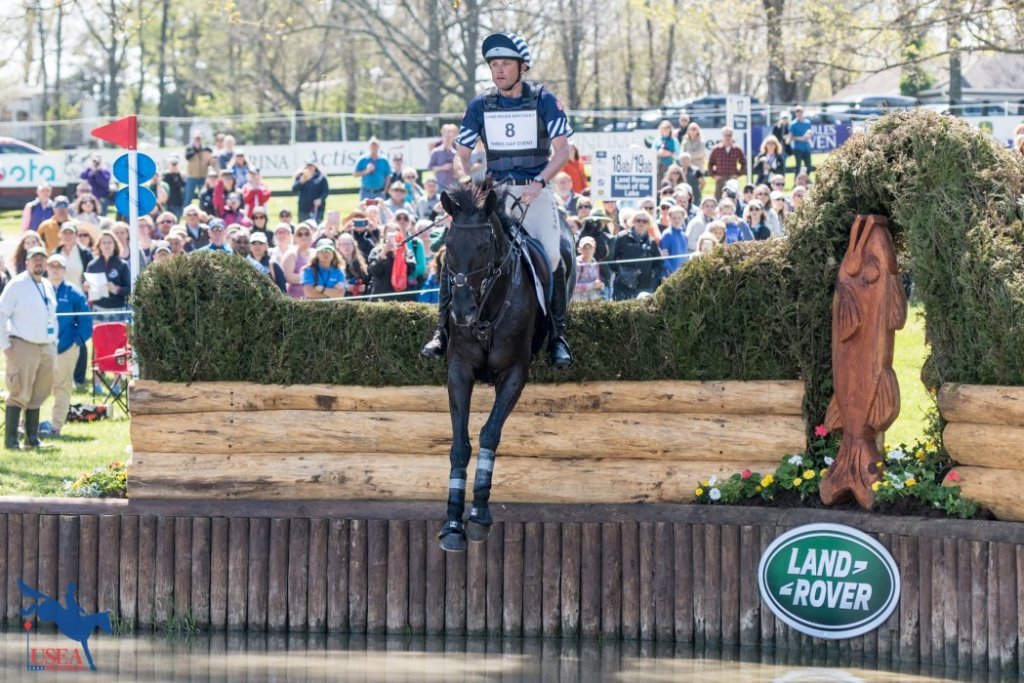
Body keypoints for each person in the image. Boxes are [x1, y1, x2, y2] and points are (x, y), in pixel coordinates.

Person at [421, 32, 574, 368]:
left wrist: (540, 181)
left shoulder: (544, 100)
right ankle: (441, 331)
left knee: (553, 254)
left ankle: (557, 336)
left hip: (535, 191)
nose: (499, 70)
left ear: (522, 67)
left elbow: (563, 150)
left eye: (505, 63)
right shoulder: (480, 105)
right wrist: (468, 181)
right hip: (496, 194)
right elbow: (461, 153)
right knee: (457, 253)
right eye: (494, 64)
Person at [0, 245, 57, 449]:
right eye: (34, 259)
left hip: (46, 346)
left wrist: (54, 342)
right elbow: (1, 313)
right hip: (23, 345)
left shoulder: (47, 285)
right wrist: (5, 344)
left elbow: (51, 316)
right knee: (18, 392)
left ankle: (32, 438)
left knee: (39, 392)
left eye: (42, 259)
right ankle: (11, 440)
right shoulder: (17, 285)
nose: (38, 263)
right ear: (27, 263)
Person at [43, 253, 92, 438]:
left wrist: (76, 342)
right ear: (47, 268)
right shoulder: (39, 289)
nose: (55, 270)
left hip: (66, 348)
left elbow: (86, 321)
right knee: (36, 386)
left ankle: (56, 426)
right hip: (41, 347)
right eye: (52, 266)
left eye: (59, 266)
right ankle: (29, 425)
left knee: (62, 387)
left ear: (64, 270)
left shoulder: (74, 293)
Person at [610, 211, 660, 300]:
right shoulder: (621, 237)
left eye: (644, 221)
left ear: (648, 224)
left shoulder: (652, 242)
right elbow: (611, 259)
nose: (641, 223)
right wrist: (621, 272)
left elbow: (659, 263)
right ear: (633, 221)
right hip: (623, 286)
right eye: (638, 220)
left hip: (645, 286)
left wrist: (652, 273)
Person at [84, 231, 131, 319]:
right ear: (99, 245)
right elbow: (88, 290)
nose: (107, 245)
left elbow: (129, 289)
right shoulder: (92, 265)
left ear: (115, 245)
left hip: (117, 309)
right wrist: (87, 288)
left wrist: (116, 289)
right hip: (97, 309)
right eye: (104, 242)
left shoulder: (122, 265)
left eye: (110, 242)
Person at [707, 128, 746, 200]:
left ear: (732, 136)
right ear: (722, 136)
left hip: (732, 178)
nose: (728, 137)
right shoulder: (716, 149)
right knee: (719, 199)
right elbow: (710, 163)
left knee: (733, 198)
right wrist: (713, 175)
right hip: (720, 178)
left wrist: (738, 174)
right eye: (726, 135)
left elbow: (743, 163)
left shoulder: (737, 149)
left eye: (729, 135)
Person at [54, 222, 92, 294]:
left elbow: (90, 275)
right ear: (60, 235)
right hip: (59, 295)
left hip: (79, 295)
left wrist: (86, 284)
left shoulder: (85, 254)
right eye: (65, 233)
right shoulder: (56, 253)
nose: (67, 236)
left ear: (76, 235)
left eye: (70, 233)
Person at [281, 222, 314, 299]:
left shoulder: (315, 253)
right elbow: (288, 276)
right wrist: (311, 278)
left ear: (311, 236)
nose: (303, 236)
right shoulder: (291, 254)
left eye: (307, 234)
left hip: (314, 297)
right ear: (295, 237)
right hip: (296, 299)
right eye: (300, 234)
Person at [293, 159, 329, 223]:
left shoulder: (321, 177)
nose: (310, 168)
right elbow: (294, 189)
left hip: (317, 209)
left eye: (311, 166)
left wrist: (320, 199)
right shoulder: (300, 176)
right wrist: (302, 181)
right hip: (303, 209)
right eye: (308, 166)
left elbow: (325, 191)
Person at [659, 206, 689, 278]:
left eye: (679, 218)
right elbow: (664, 258)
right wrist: (672, 272)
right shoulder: (667, 234)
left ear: (683, 218)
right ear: (669, 218)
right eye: (674, 218)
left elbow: (685, 256)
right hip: (669, 275)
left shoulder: (684, 235)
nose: (677, 220)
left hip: (682, 274)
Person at [184, 132, 214, 206]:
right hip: (192, 177)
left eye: (199, 139)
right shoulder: (189, 148)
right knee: (189, 197)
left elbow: (210, 159)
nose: (198, 141)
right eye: (196, 139)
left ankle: (201, 210)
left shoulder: (205, 149)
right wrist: (196, 149)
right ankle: (186, 211)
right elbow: (187, 157)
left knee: (203, 196)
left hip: (203, 177)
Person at [337, 233, 369, 297]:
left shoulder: (362, 261)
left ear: (354, 245)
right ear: (338, 247)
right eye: (343, 244)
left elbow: (368, 280)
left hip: (361, 298)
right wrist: (346, 287)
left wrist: (365, 287)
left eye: (349, 244)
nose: (346, 247)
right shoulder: (334, 263)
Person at [573, 236, 604, 302]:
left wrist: (600, 285)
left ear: (594, 249)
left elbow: (596, 280)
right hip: (579, 302)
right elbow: (573, 287)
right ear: (580, 249)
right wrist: (592, 285)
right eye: (585, 248)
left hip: (593, 301)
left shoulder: (594, 263)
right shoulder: (577, 264)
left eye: (590, 247)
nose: (588, 250)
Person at [428, 124, 459, 189]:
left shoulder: (456, 153)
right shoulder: (435, 152)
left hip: (453, 186)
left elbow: (460, 168)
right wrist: (442, 167)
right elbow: (430, 167)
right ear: (442, 138)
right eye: (446, 137)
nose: (447, 139)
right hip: (440, 185)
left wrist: (457, 173)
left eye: (449, 137)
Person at [789, 105, 814, 178]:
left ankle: (805, 180)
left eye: (800, 112)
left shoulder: (808, 123)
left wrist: (809, 136)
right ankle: (796, 181)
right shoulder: (793, 124)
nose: (799, 113)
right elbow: (791, 137)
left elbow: (810, 134)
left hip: (806, 148)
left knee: (808, 167)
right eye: (797, 112)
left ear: (803, 112)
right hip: (798, 148)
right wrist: (800, 138)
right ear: (795, 113)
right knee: (798, 166)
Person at [654, 119, 678, 185]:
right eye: (664, 127)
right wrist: (659, 153)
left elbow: (677, 154)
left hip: (669, 166)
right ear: (661, 129)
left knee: (668, 184)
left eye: (668, 127)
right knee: (658, 183)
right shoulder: (657, 140)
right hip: (658, 166)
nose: (666, 129)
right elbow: (652, 152)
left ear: (670, 129)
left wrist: (669, 153)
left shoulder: (674, 140)